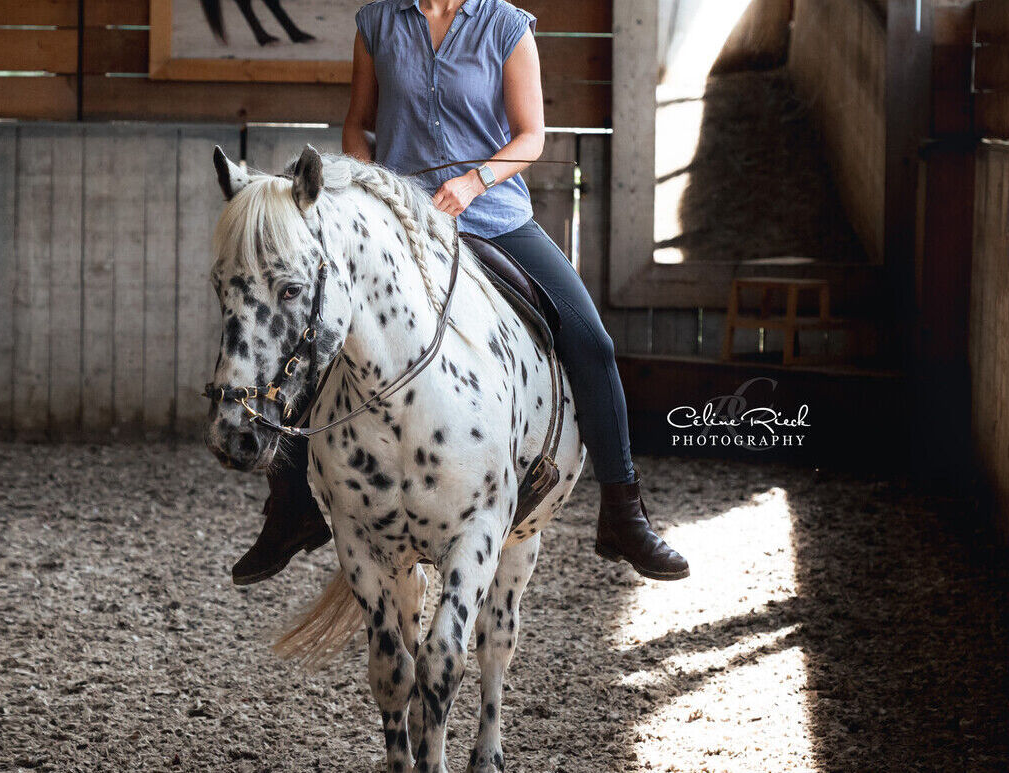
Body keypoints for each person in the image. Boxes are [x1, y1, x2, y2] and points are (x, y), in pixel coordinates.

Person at [231, 0, 688, 584]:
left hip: (495, 217)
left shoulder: (505, 26)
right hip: (401, 225)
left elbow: (531, 137)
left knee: (592, 341)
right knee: (315, 327)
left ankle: (623, 513)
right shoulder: (377, 23)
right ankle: (292, 507)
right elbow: (357, 124)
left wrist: (474, 182)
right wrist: (371, 193)